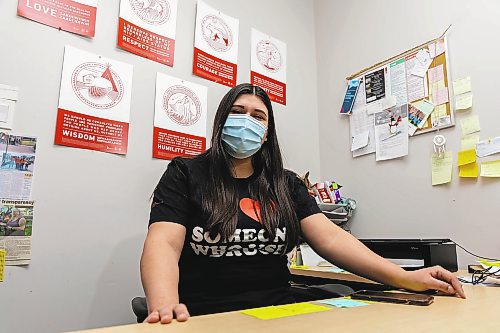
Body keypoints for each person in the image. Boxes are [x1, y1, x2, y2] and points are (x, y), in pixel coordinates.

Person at [141, 83, 465, 324]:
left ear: (266, 133)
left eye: (258, 116)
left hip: (278, 315)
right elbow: (164, 244)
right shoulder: (185, 173)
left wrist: (406, 277)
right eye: (237, 113)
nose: (246, 121)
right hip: (206, 317)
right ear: (221, 122)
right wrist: (164, 304)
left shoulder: (286, 184)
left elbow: (334, 240)